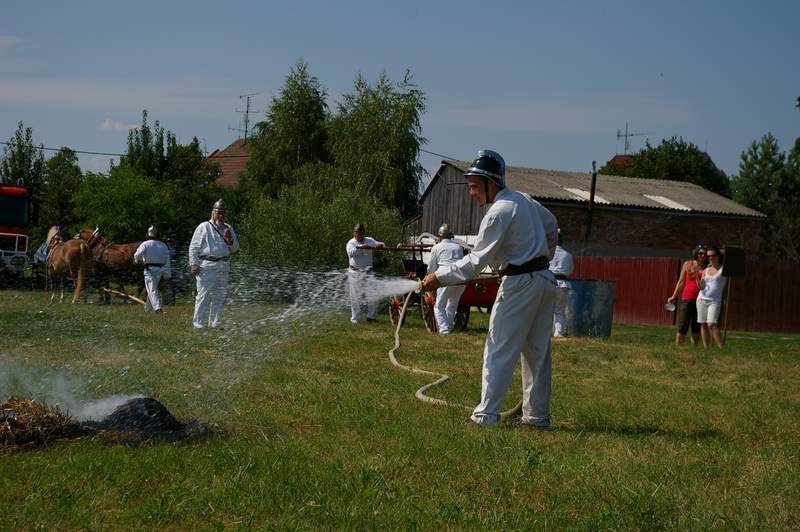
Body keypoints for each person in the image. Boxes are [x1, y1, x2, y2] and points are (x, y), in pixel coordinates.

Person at [421, 149, 558, 428]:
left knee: (498, 348)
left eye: (473, 186)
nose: (471, 193)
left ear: (490, 182)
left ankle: (485, 416)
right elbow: (552, 224)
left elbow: (474, 262)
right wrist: (543, 257)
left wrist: (439, 276)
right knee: (538, 354)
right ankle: (536, 417)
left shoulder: (498, 212)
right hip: (544, 280)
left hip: (520, 284)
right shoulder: (524, 200)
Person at [189, 198, 239, 329]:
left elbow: (235, 249)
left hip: (223, 265)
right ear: (213, 213)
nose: (221, 216)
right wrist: (193, 264)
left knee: (219, 296)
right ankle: (198, 323)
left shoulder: (228, 228)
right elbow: (194, 247)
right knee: (203, 295)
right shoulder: (204, 226)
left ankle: (215, 323)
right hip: (207, 265)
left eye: (223, 213)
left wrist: (230, 239)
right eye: (218, 212)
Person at [427, 223, 466, 335]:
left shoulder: (436, 247)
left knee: (439, 306)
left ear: (439, 237)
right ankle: (448, 327)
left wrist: (430, 278)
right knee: (452, 305)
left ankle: (444, 330)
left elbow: (431, 267)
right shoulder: (458, 247)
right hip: (460, 278)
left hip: (445, 277)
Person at [666, 245, 706, 346]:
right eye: (700, 253)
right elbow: (681, 282)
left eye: (704, 254)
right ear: (696, 253)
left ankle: (693, 352)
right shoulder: (688, 264)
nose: (703, 255)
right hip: (687, 298)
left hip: (700, 300)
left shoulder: (707, 268)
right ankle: (679, 349)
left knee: (696, 328)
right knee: (682, 326)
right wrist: (673, 296)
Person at [346, 223, 384, 323]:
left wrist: (380, 245)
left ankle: (371, 317)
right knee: (355, 297)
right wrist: (363, 248)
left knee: (372, 294)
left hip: (368, 272)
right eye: (356, 233)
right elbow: (351, 253)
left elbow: (381, 244)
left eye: (360, 233)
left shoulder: (369, 240)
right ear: (354, 233)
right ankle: (356, 319)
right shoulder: (351, 243)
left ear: (363, 233)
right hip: (355, 272)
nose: (358, 235)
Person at [133, 225, 172, 313]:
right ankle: (147, 309)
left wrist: (136, 260)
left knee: (151, 289)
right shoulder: (163, 245)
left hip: (149, 270)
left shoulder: (145, 244)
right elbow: (167, 260)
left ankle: (158, 309)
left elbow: (137, 255)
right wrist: (167, 273)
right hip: (159, 270)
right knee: (152, 288)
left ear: (148, 235)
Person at [696, 245, 727, 348]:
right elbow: (701, 286)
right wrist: (696, 275)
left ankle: (722, 348)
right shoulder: (706, 270)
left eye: (713, 255)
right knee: (703, 325)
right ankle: (706, 349)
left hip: (715, 300)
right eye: (708, 256)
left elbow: (729, 256)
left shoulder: (724, 270)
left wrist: (721, 250)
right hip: (701, 299)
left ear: (718, 256)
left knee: (711, 324)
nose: (710, 257)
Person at [549, 229, 573, 337]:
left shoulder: (547, 253)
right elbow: (570, 270)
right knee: (560, 310)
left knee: (545, 309)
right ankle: (558, 332)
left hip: (549, 282)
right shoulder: (568, 255)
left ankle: (546, 331)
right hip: (563, 284)